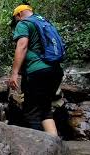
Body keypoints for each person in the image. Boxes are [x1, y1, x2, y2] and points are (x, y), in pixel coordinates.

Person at [9, 4, 64, 136]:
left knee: (32, 112)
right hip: (55, 71)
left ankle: (38, 151)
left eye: (15, 19)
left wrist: (15, 73)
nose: (16, 21)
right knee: (45, 109)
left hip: (37, 72)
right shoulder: (44, 23)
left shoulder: (23, 23)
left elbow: (22, 46)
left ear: (19, 15)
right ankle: (54, 146)